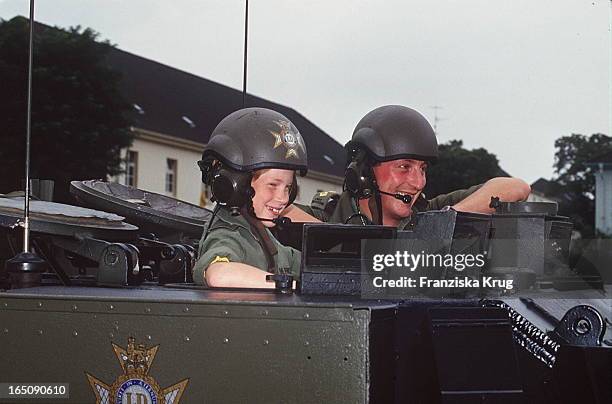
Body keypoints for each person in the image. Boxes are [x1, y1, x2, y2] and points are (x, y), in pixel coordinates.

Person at [325, 105, 531, 227]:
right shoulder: (323, 217)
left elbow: (516, 188)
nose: (418, 182)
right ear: (363, 172)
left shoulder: (429, 214)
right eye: (404, 166)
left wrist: (443, 223)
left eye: (422, 168)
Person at [192, 107, 307, 288]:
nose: (283, 198)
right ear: (236, 185)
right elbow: (218, 274)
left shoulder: (260, 234)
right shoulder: (229, 235)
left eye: (288, 188)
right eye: (273, 185)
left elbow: (296, 261)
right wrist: (290, 286)